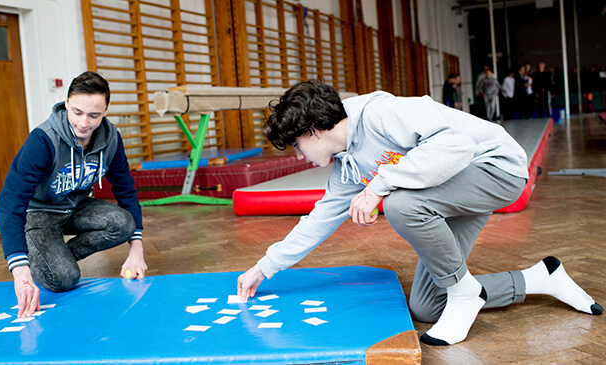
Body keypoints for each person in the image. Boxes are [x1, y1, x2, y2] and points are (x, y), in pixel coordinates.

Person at [237, 80, 603, 346]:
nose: (300, 156)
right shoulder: (346, 165)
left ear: (315, 131)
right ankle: (541, 278)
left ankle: (464, 295)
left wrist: (378, 186)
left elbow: (457, 146)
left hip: (496, 169)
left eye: (298, 146)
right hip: (453, 189)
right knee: (428, 305)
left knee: (400, 203)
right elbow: (319, 220)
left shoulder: (380, 114)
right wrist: (264, 266)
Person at [0, 71, 147, 318]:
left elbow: (126, 191)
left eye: (94, 115)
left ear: (106, 109)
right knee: (64, 279)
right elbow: (10, 203)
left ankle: (52, 257)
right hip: (40, 213)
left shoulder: (112, 140)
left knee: (124, 224)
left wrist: (136, 250)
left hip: (74, 206)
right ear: (66, 103)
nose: (84, 123)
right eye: (77, 112)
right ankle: (47, 260)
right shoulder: (43, 140)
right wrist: (21, 271)